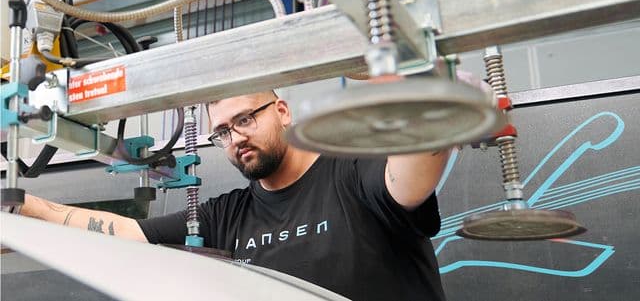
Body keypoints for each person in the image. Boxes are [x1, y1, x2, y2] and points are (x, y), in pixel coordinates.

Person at [18, 90, 449, 301]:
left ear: (282, 111)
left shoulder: (353, 173)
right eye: (222, 131)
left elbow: (408, 182)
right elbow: (129, 233)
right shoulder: (228, 215)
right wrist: (27, 207)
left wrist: (441, 116)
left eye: (244, 119)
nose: (234, 138)